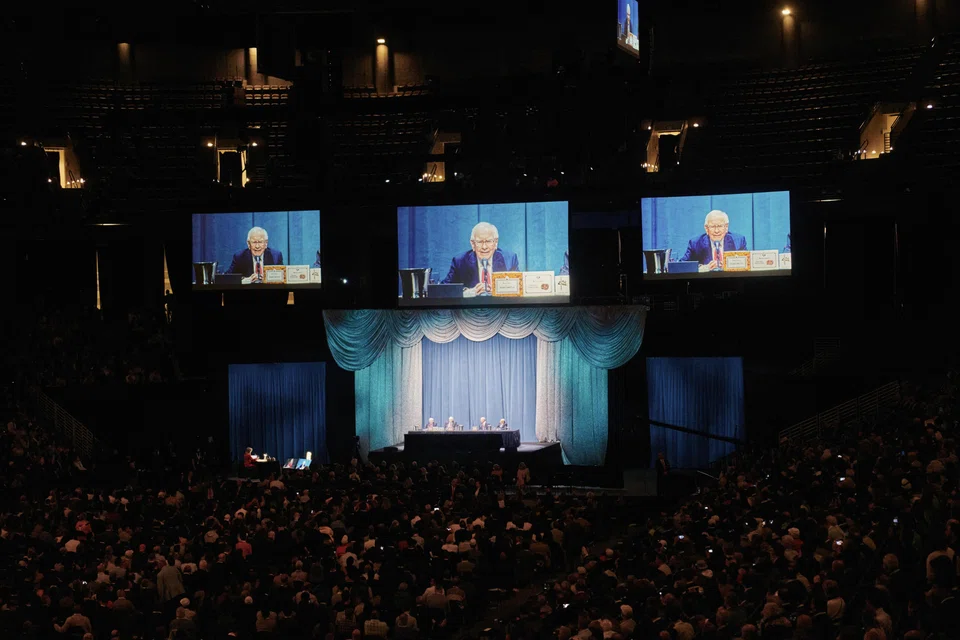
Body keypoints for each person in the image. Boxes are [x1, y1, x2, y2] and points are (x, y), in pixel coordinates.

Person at [442, 222, 519, 296]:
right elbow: (444, 290)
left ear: (495, 243)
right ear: (473, 244)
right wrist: (468, 293)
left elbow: (519, 287)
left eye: (488, 241)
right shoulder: (460, 261)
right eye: (479, 242)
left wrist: (499, 291)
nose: (484, 247)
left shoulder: (509, 259)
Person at [680, 210, 746, 272]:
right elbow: (681, 266)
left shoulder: (738, 241)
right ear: (706, 228)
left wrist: (729, 266)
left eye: (720, 226)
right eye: (712, 227)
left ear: (726, 227)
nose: (716, 231)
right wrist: (702, 268)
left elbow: (747, 264)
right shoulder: (695, 243)